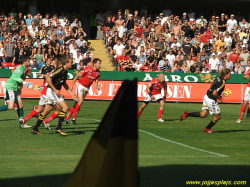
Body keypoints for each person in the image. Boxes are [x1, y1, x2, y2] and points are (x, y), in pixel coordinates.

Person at [31, 58, 77, 135]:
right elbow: (48, 79)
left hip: (52, 92)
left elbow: (64, 84)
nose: (72, 63)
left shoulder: (65, 71)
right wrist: (55, 90)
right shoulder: (60, 70)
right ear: (66, 62)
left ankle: (35, 128)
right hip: (51, 91)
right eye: (71, 62)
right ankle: (59, 128)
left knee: (47, 111)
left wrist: (71, 93)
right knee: (65, 107)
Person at [180, 68, 232, 133]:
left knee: (204, 114)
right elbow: (214, 93)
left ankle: (188, 114)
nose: (231, 75)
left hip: (207, 96)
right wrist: (220, 98)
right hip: (211, 99)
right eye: (230, 74)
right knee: (218, 116)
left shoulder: (218, 78)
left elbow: (212, 86)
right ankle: (207, 128)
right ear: (226, 74)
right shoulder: (222, 82)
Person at [64, 58, 102, 124]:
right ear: (94, 64)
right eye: (99, 63)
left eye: (100, 63)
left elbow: (96, 83)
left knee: (77, 103)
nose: (100, 65)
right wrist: (72, 85)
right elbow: (77, 76)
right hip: (81, 85)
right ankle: (74, 119)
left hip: (87, 88)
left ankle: (66, 118)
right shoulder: (87, 69)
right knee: (80, 101)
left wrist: (97, 87)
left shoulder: (98, 73)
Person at [0, 57, 32, 128]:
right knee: (11, 107)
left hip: (15, 88)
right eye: (28, 61)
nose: (30, 63)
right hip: (10, 87)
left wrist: (20, 87)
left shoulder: (23, 68)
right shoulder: (21, 68)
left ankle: (22, 123)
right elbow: (16, 77)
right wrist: (25, 83)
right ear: (25, 62)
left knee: (20, 105)